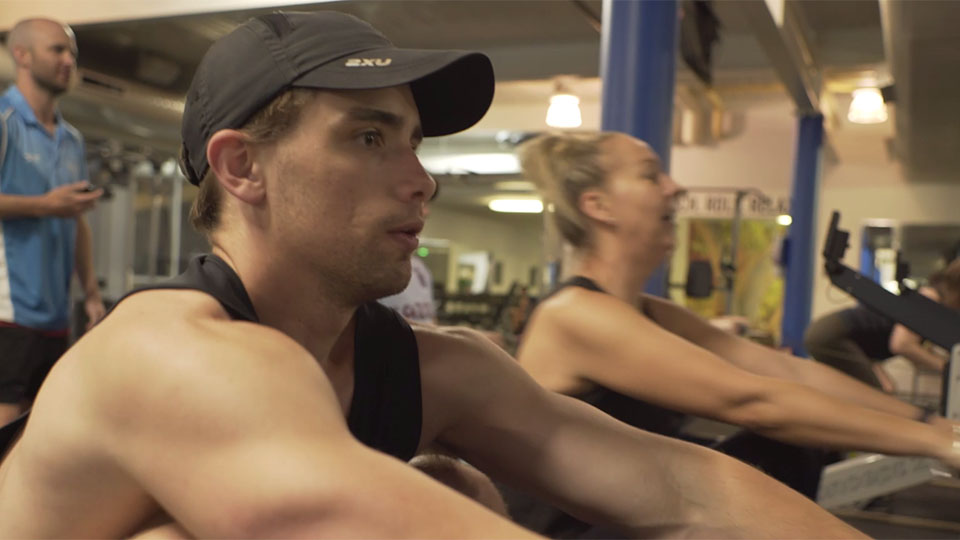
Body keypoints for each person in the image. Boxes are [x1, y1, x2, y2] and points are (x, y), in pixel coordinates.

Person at [0, 12, 867, 538]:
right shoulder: (171, 357)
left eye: (415, 141)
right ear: (240, 168)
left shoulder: (434, 367)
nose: (421, 178)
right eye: (369, 137)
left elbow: (689, 488)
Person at [512, 131, 960, 529]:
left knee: (789, 452)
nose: (675, 187)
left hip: (626, 509)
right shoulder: (575, 314)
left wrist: (932, 424)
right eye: (652, 176)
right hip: (570, 529)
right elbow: (752, 400)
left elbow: (787, 373)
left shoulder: (652, 312)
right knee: (768, 442)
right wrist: (940, 442)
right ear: (598, 205)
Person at [0, 18, 105, 426]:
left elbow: (76, 219)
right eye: (57, 50)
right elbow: (55, 206)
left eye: (72, 53)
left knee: (39, 430)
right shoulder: (4, 122)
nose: (68, 60)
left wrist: (92, 293)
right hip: (9, 310)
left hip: (55, 316)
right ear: (21, 55)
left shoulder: (71, 139)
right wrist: (45, 205)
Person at [805, 260, 960, 391]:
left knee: (883, 391)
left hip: (837, 335)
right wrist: (949, 368)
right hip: (832, 333)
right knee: (875, 399)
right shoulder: (930, 299)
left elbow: (871, 341)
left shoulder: (930, 298)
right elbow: (902, 344)